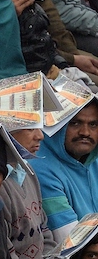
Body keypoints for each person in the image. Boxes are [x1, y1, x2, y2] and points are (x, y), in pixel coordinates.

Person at [30, 102, 98, 242]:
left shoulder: (94, 160)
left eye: (93, 125)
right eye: (75, 123)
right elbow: (70, 239)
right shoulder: (40, 167)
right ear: (57, 125)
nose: (85, 132)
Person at [0, 128, 57, 258]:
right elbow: (5, 248)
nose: (40, 136)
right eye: (30, 128)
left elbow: (44, 232)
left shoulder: (27, 170)